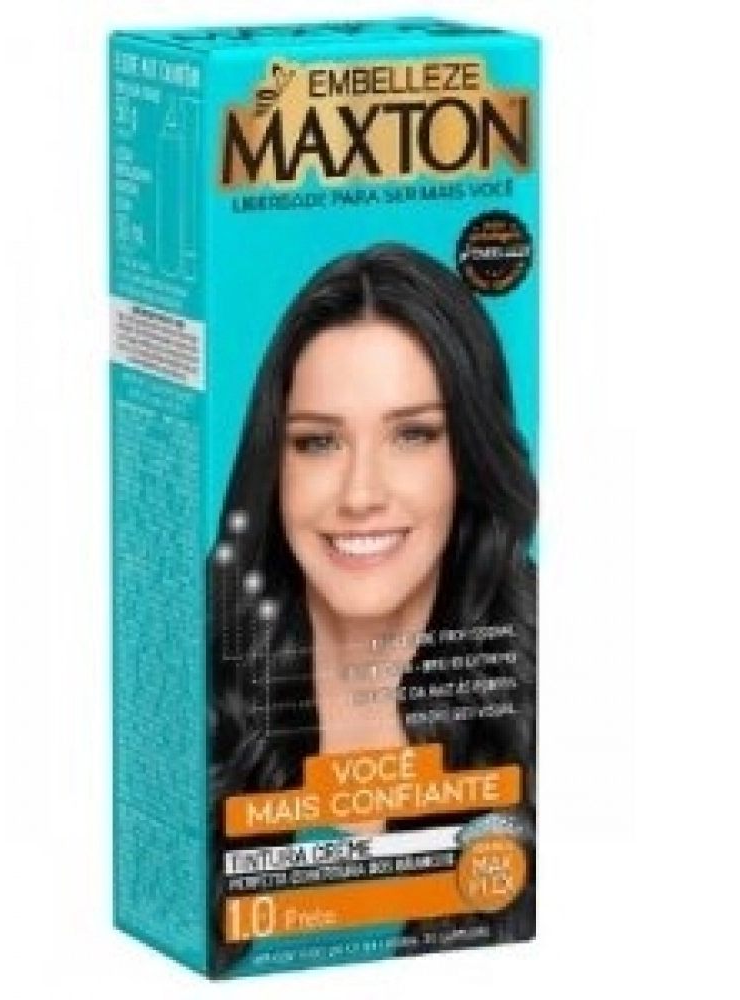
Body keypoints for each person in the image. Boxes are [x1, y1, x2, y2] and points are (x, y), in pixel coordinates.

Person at [208, 243, 537, 973]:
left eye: (412, 434)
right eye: (318, 441)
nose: (360, 494)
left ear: (468, 460)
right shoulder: (198, 696)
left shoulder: (541, 701)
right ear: (274, 466)